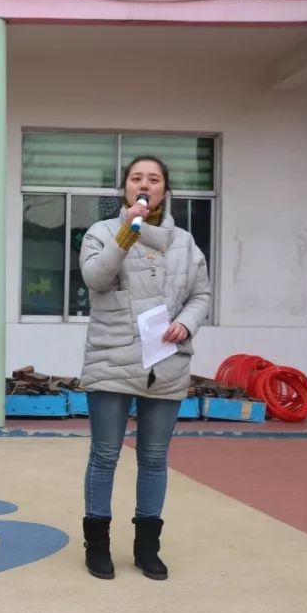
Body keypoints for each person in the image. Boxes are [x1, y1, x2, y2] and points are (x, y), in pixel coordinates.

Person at [78, 155, 212, 581]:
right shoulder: (102, 233)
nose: (145, 184)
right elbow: (96, 280)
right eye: (137, 178)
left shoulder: (186, 244)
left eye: (154, 179)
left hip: (166, 362)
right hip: (112, 357)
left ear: (164, 191)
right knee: (105, 456)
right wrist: (126, 230)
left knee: (154, 458)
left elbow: (200, 296)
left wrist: (184, 323)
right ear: (125, 189)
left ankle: (146, 548)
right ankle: (97, 546)